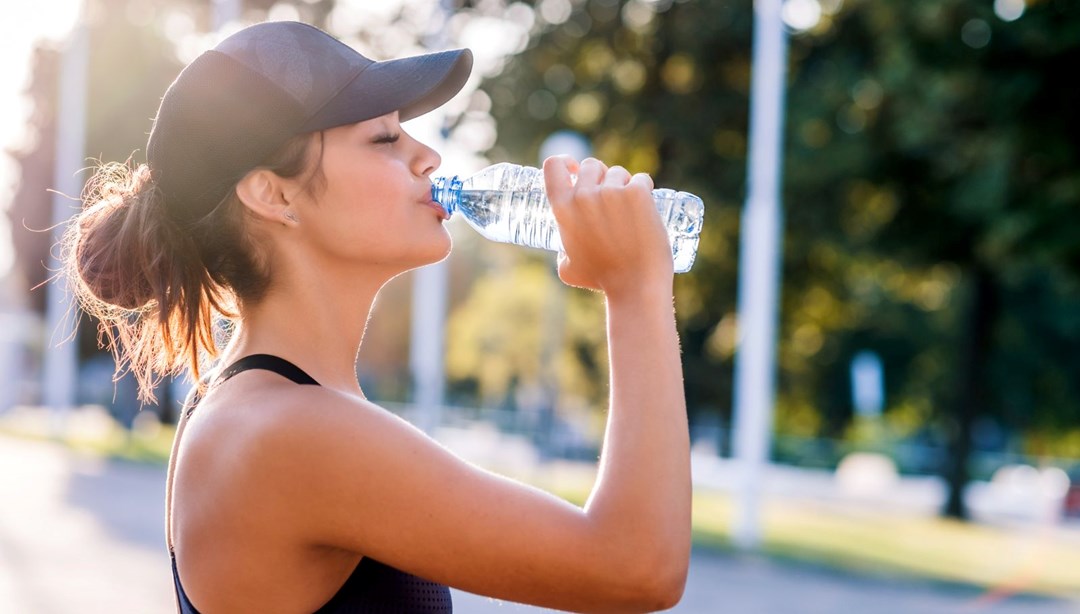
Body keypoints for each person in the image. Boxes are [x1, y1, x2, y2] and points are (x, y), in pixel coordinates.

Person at [64, 20, 690, 613]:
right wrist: (634, 289)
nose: (429, 159)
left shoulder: (265, 406)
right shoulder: (288, 432)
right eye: (386, 138)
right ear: (272, 194)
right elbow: (635, 567)